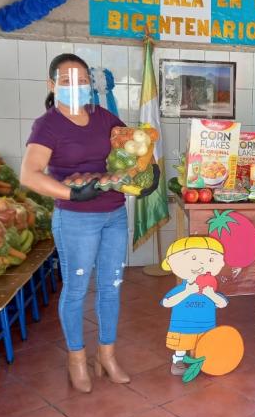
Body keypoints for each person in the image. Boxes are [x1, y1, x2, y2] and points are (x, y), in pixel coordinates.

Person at [20, 53, 159, 393]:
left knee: (111, 286)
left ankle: (107, 356)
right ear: (52, 85)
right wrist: (70, 195)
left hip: (114, 212)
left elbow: (132, 150)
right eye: (66, 80)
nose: (76, 86)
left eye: (82, 79)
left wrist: (148, 172)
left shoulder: (103, 116)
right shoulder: (48, 124)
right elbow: (29, 175)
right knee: (77, 289)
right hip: (76, 218)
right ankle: (77, 359)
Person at [160, 237, 228, 376]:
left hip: (206, 327)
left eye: (210, 259)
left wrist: (210, 294)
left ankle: (198, 359)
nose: (202, 263)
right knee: (181, 346)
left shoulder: (211, 289)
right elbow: (167, 302)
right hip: (182, 327)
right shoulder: (182, 289)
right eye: (194, 258)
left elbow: (222, 303)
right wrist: (187, 292)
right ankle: (178, 361)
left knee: (202, 345)